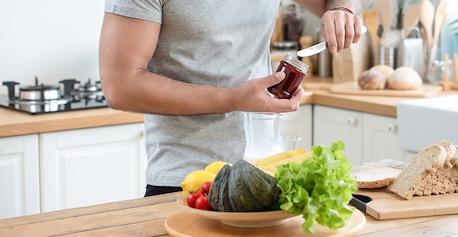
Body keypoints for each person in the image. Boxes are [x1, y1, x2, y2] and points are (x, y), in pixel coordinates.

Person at [99, 0, 363, 196]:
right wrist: (234, 99)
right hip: (187, 181)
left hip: (264, 174)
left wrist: (343, 10)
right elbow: (121, 86)